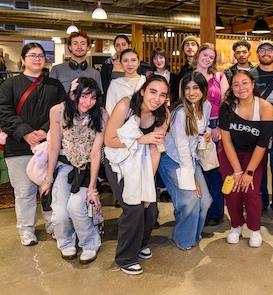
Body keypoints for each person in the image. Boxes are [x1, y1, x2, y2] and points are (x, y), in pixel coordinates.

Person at [0, 42, 65, 246]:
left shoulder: (55, 85)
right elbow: (3, 112)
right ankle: (26, 229)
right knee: (24, 191)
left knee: (49, 187)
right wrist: (25, 133)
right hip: (18, 146)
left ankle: (52, 223)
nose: (37, 59)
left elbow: (62, 111)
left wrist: (45, 130)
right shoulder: (10, 84)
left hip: (48, 145)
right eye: (32, 55)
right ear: (23, 59)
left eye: (41, 55)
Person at [103, 75, 170, 275]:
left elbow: (155, 149)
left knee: (149, 207)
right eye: (153, 91)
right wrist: (141, 139)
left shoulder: (163, 114)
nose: (157, 98)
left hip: (142, 161)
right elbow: (109, 140)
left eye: (162, 95)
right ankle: (125, 257)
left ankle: (140, 243)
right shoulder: (126, 105)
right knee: (133, 207)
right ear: (142, 91)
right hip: (119, 161)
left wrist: (147, 182)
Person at [43, 77, 107, 264]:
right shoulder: (58, 111)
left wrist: (93, 188)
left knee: (77, 207)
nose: (88, 102)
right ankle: (65, 242)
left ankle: (90, 243)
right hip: (65, 165)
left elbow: (96, 153)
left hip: (89, 168)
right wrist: (48, 179)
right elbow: (54, 147)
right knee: (61, 211)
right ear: (73, 94)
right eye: (84, 96)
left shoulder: (101, 114)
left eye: (93, 97)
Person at [218, 71, 273, 247]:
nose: (240, 88)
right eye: (236, 84)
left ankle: (255, 228)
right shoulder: (226, 107)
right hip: (230, 153)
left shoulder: (265, 107)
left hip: (254, 154)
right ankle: (236, 225)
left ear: (252, 84)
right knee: (233, 190)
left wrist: (248, 172)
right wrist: (237, 171)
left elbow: (263, 143)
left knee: (251, 191)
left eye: (244, 83)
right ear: (231, 88)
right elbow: (226, 141)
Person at [158, 71, 213, 250]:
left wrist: (207, 135)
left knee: (205, 201)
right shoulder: (179, 112)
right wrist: (193, 179)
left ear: (203, 89)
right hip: (172, 159)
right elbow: (181, 148)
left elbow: (205, 129)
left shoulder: (206, 106)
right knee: (189, 199)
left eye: (195, 88)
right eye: (187, 88)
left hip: (191, 158)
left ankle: (192, 234)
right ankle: (183, 239)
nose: (191, 92)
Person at [192, 43, 229, 226]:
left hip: (214, 125)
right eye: (204, 55)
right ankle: (201, 209)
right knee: (198, 170)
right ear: (198, 55)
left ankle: (215, 212)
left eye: (211, 57)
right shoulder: (188, 78)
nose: (207, 59)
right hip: (195, 126)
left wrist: (219, 127)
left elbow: (226, 103)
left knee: (214, 171)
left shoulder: (219, 77)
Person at [255, 40, 273, 220]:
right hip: (256, 125)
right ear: (257, 54)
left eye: (270, 50)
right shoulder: (250, 75)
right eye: (262, 50)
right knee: (258, 165)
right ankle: (262, 201)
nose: (266, 53)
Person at [105, 49, 147, 115]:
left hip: (144, 123)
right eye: (125, 61)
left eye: (133, 60)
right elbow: (109, 109)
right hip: (121, 123)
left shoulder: (145, 81)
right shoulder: (115, 84)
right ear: (121, 63)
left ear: (138, 62)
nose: (130, 64)